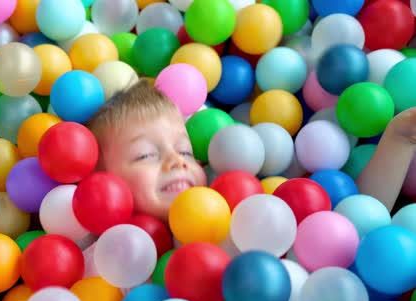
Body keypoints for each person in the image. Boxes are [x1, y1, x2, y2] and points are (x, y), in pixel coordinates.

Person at [85, 78, 416, 220]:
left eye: (185, 152)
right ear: (97, 182)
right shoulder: (105, 262)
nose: (176, 162)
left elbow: (356, 227)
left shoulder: (239, 209)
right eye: (145, 155)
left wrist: (398, 139)